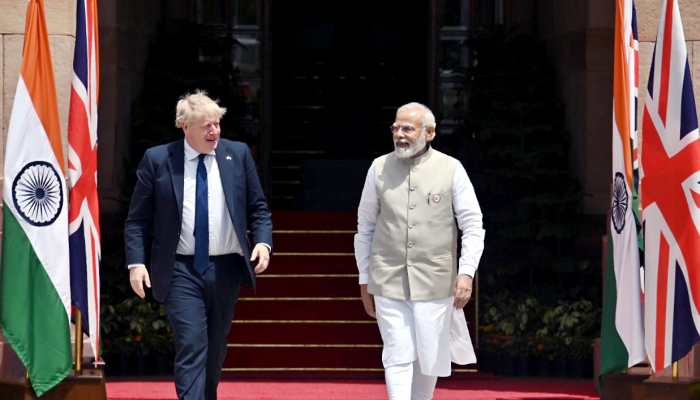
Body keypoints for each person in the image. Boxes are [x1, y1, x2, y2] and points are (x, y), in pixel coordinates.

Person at [124, 91, 272, 399]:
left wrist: (262, 242)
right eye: (206, 125)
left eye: (217, 123)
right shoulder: (159, 159)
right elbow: (138, 220)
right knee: (191, 341)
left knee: (215, 347)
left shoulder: (238, 154)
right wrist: (136, 263)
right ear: (184, 126)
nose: (214, 131)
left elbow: (258, 207)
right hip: (180, 269)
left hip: (226, 267)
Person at [354, 102, 485, 400]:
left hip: (436, 280)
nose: (400, 134)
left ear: (430, 132)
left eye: (407, 128)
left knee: (429, 356)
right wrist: (365, 276)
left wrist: (466, 273)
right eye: (395, 128)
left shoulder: (451, 168)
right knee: (397, 351)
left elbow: (473, 225)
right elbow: (365, 227)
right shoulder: (379, 167)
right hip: (388, 277)